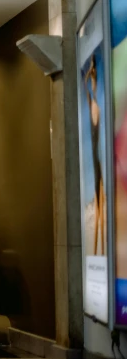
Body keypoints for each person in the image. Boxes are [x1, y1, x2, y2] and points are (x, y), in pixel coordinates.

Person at [85, 55, 106, 256]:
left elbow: (90, 91)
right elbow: (87, 90)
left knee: (99, 201)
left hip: (97, 159)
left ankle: (99, 249)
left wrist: (90, 76)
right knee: (97, 201)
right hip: (94, 157)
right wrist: (89, 74)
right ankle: (96, 250)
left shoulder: (96, 107)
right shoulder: (93, 103)